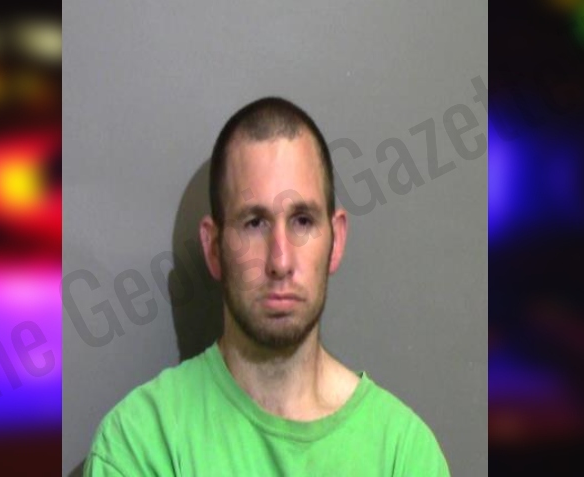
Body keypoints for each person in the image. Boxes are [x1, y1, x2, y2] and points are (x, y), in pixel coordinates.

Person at [84, 97, 450, 476]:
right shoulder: (142, 439)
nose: (280, 261)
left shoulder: (404, 453)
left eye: (302, 221)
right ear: (214, 248)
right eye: (254, 223)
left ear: (336, 240)